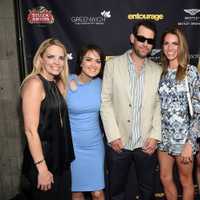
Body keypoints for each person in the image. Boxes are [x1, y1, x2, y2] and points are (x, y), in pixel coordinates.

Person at [100, 20, 162, 200]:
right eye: (141, 38)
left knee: (148, 191)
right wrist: (112, 135)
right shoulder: (112, 65)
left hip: (146, 144)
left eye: (150, 41)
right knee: (117, 192)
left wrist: (155, 135)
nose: (145, 44)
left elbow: (159, 104)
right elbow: (105, 102)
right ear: (132, 38)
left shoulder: (157, 70)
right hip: (119, 143)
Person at [21, 38, 75, 200]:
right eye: (51, 57)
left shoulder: (54, 83)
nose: (56, 62)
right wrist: (42, 169)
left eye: (61, 58)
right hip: (44, 162)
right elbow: (30, 131)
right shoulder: (35, 83)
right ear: (41, 58)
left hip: (59, 160)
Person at [158, 26, 200, 200]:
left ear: (181, 46)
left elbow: (198, 111)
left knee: (185, 181)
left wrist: (190, 143)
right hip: (163, 137)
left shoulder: (190, 72)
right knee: (165, 178)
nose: (170, 48)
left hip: (184, 139)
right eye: (166, 43)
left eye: (174, 43)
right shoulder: (159, 72)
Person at [66, 44, 105, 200]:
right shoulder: (65, 81)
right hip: (73, 147)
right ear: (80, 62)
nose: (93, 65)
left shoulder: (101, 84)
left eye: (98, 61)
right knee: (76, 192)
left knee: (97, 193)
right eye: (88, 59)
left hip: (95, 146)